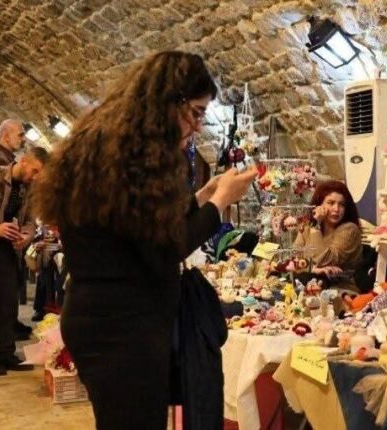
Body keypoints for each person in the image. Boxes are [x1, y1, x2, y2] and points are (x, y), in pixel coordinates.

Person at [31, 51, 257, 429]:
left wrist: (201, 197)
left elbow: (137, 228)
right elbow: (166, 248)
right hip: (125, 328)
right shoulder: (137, 155)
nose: (197, 126)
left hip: (98, 317)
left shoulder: (104, 141)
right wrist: (219, 203)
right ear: (172, 101)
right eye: (196, 112)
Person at [0, 147, 48, 376]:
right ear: (24, 160)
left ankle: (5, 353)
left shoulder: (30, 189)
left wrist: (25, 237)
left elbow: (30, 221)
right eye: (35, 171)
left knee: (9, 303)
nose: (35, 177)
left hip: (8, 251)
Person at [0, 118, 32, 340]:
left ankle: (4, 347)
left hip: (5, 240)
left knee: (7, 298)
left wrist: (24, 233)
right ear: (5, 135)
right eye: (20, 134)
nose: (24, 139)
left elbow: (26, 214)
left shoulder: (12, 163)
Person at [294, 180, 362, 286]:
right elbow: (294, 259)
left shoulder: (350, 229)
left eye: (341, 204)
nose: (336, 209)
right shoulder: (307, 226)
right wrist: (313, 269)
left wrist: (316, 226)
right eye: (331, 203)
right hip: (307, 283)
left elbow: (325, 260)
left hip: (340, 288)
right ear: (318, 205)